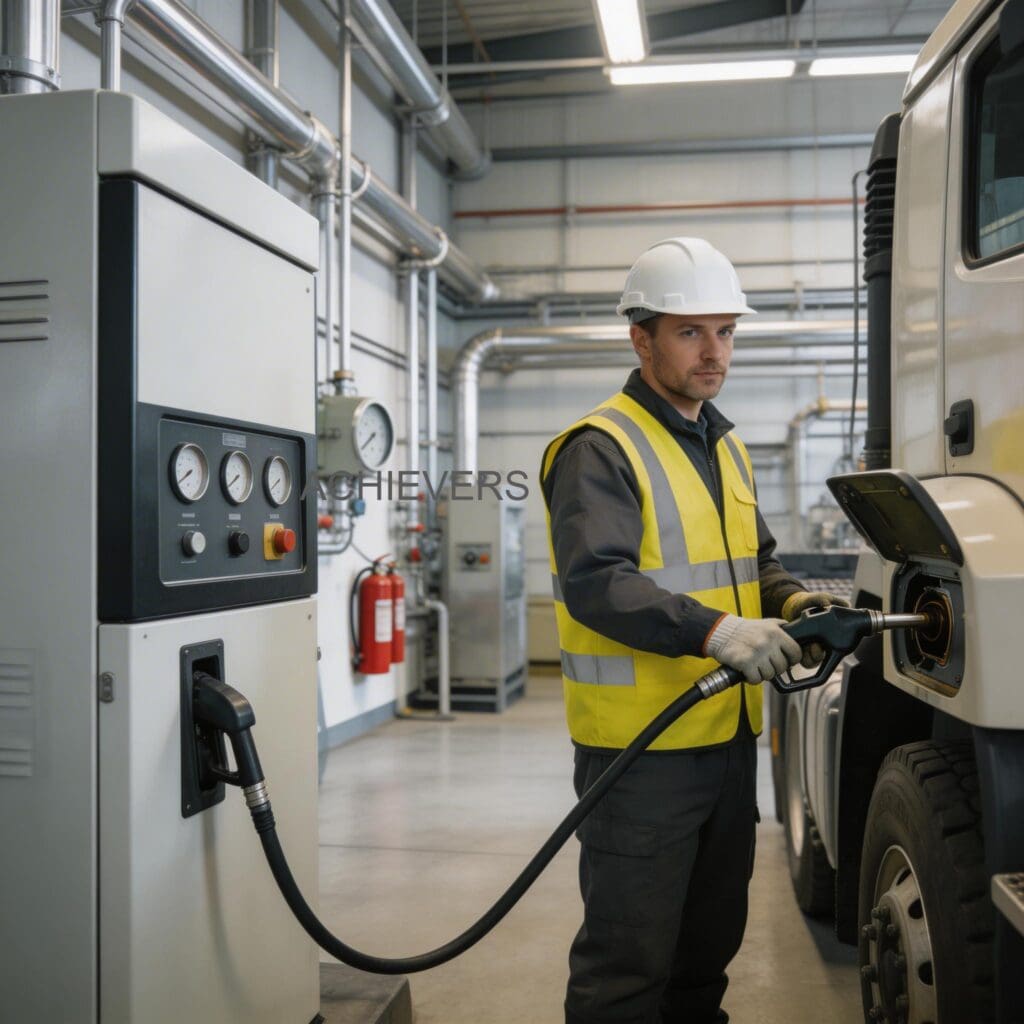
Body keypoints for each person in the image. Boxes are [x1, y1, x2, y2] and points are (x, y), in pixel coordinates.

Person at [541, 237, 848, 1024]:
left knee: (705, 954)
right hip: (641, 753)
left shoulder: (726, 444)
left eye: (726, 331)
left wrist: (794, 606)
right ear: (640, 339)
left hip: (726, 741)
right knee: (627, 967)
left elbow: (756, 562)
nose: (715, 353)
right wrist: (718, 632)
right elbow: (597, 582)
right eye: (690, 332)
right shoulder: (600, 447)